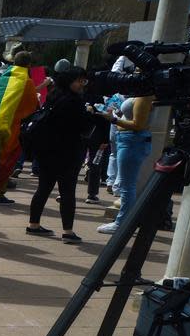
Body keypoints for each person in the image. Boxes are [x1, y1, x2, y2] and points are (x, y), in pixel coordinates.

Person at [26, 66, 102, 244]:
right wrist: (90, 114)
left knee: (43, 188)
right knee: (67, 192)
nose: (82, 84)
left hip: (47, 150)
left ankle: (34, 224)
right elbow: (81, 127)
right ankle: (68, 231)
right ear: (70, 81)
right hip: (67, 152)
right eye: (79, 80)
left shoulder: (54, 95)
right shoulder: (73, 101)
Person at [97, 84, 154, 235]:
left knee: (127, 186)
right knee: (126, 184)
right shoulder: (141, 94)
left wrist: (114, 120)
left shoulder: (144, 95)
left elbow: (138, 125)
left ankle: (122, 223)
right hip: (128, 140)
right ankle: (123, 222)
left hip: (132, 141)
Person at [0, 50, 39, 204]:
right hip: (8, 126)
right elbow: (32, 106)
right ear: (29, 64)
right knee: (6, 161)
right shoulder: (26, 81)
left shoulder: (3, 75)